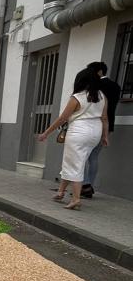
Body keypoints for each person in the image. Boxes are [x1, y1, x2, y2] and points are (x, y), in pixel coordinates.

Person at [38, 68, 107, 210]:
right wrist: (105, 136)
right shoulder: (102, 96)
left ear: (80, 81)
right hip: (95, 132)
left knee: (75, 165)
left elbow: (63, 118)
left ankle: (76, 199)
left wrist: (46, 133)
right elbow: (104, 118)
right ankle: (61, 192)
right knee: (74, 162)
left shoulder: (77, 97)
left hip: (79, 132)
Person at [81, 61, 120, 198]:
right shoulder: (116, 86)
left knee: (82, 155)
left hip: (93, 124)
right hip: (108, 125)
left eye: (91, 71)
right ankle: (89, 186)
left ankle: (85, 185)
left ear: (99, 72)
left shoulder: (95, 86)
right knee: (94, 157)